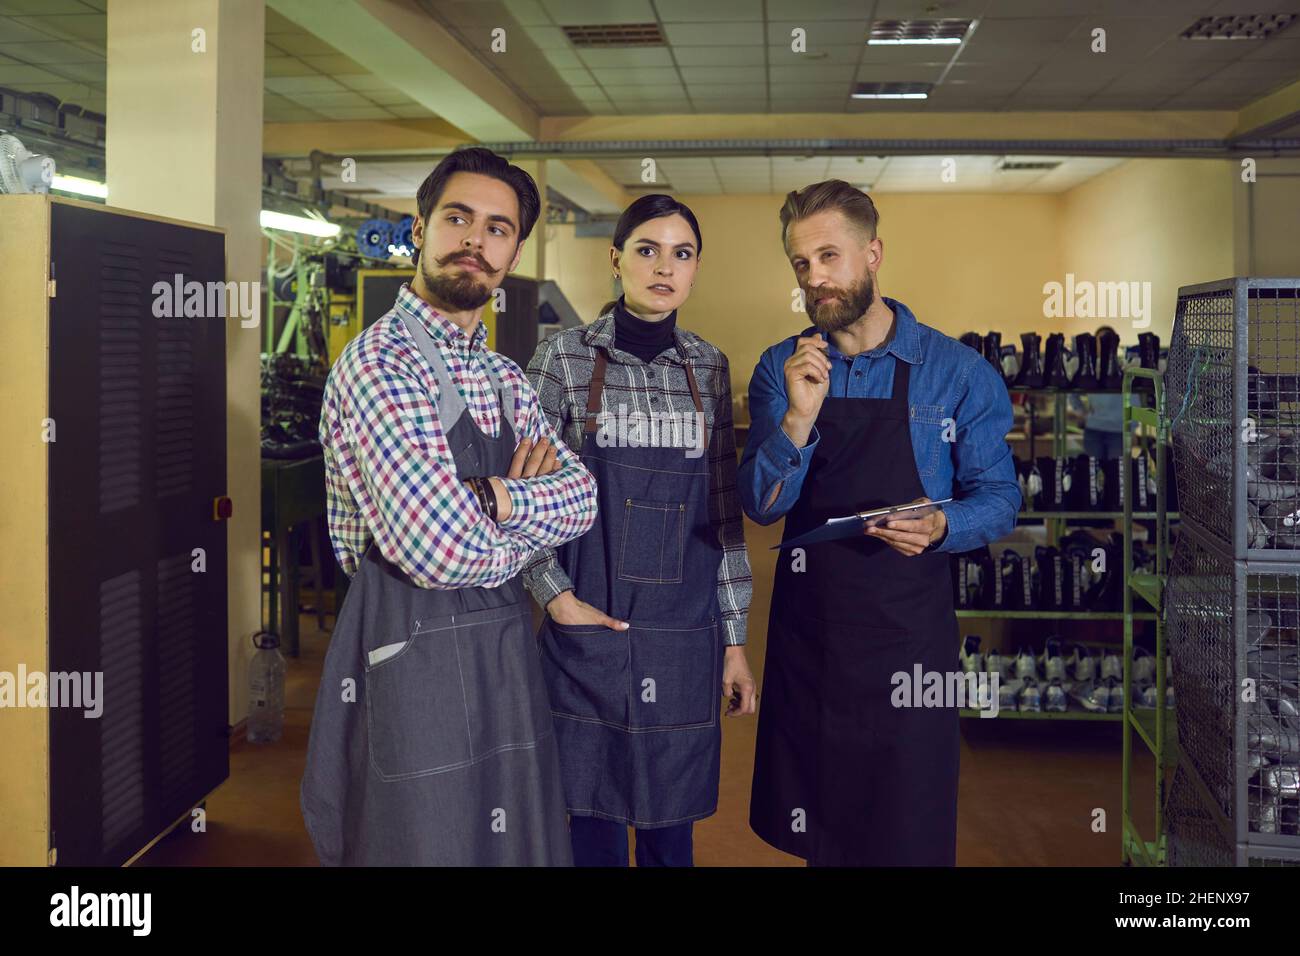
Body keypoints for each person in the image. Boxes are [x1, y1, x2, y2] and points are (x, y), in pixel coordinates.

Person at [302, 147, 598, 865]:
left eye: (498, 228)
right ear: (420, 228)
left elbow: (584, 498)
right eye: (458, 218)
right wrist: (526, 517)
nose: (476, 240)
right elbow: (436, 551)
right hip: (411, 657)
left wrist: (490, 498)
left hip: (501, 654)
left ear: (514, 250)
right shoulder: (381, 365)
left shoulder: (503, 376)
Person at [739, 180, 1020, 866]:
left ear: (873, 254)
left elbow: (1000, 497)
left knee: (907, 826)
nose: (815, 279)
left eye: (829, 257)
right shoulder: (782, 367)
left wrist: (941, 525)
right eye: (801, 265)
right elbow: (762, 503)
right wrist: (798, 418)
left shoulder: (958, 373)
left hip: (908, 638)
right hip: (812, 634)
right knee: (823, 829)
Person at [523, 194, 758, 867]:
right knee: (587, 818)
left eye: (682, 253)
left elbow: (722, 513)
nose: (665, 267)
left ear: (695, 268)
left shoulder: (708, 367)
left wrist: (734, 640)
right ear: (616, 259)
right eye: (647, 249)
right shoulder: (561, 361)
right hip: (585, 627)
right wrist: (557, 599)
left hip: (681, 637)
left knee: (668, 826)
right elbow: (525, 502)